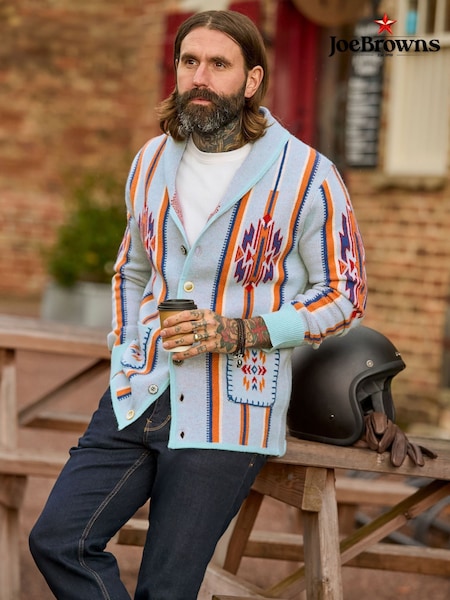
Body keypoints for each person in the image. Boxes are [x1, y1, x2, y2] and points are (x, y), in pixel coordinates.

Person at [30, 9, 367, 600]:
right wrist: (127, 351)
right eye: (189, 61)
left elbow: (346, 293)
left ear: (252, 79)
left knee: (167, 588)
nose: (200, 77)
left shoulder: (308, 175)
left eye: (218, 63)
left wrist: (241, 332)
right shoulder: (150, 161)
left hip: (230, 410)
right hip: (140, 392)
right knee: (59, 539)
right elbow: (131, 270)